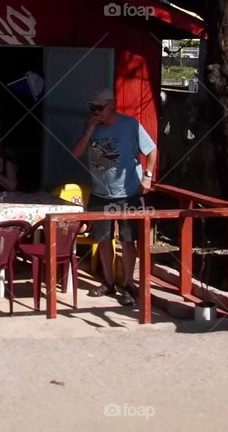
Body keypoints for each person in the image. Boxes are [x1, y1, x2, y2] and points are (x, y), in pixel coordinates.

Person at [72, 88, 157, 307]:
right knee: (102, 238)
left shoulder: (130, 125)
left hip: (127, 193)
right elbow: (77, 152)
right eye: (93, 107)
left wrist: (147, 177)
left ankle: (129, 284)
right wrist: (90, 129)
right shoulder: (92, 126)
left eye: (99, 107)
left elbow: (151, 150)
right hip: (101, 193)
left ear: (112, 105)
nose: (96, 111)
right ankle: (108, 282)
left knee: (128, 239)